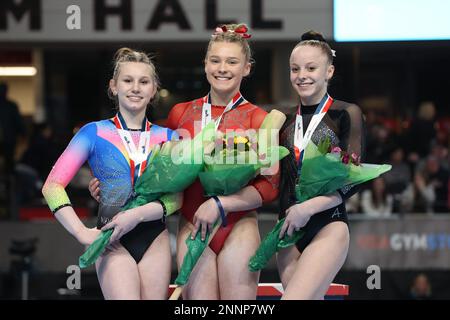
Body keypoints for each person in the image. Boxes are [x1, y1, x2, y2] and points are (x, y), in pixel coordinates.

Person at [42, 48, 180, 299]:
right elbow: (52, 186)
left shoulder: (169, 138)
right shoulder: (92, 132)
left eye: (144, 81)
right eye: (128, 80)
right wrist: (82, 233)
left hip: (155, 239)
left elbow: (177, 198)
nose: (135, 87)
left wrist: (137, 215)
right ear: (114, 86)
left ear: (153, 90)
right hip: (111, 240)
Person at [166, 24, 279, 300]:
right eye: (215, 60)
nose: (222, 68)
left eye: (232, 62)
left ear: (247, 68)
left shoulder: (259, 119)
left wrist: (222, 203)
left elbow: (270, 185)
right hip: (193, 224)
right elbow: (164, 171)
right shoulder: (180, 113)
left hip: (239, 225)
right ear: (205, 65)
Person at [277, 31, 365, 299]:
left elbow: (354, 177)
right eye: (295, 69)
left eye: (311, 68)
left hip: (328, 224)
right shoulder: (283, 120)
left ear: (329, 71)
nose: (301, 75)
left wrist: (309, 208)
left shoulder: (346, 113)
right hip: (288, 229)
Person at [0, 82, 25, 175]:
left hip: (8, 139)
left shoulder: (11, 106)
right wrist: (23, 134)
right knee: (9, 163)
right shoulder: (11, 106)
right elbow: (18, 122)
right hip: (9, 140)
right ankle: (7, 182)